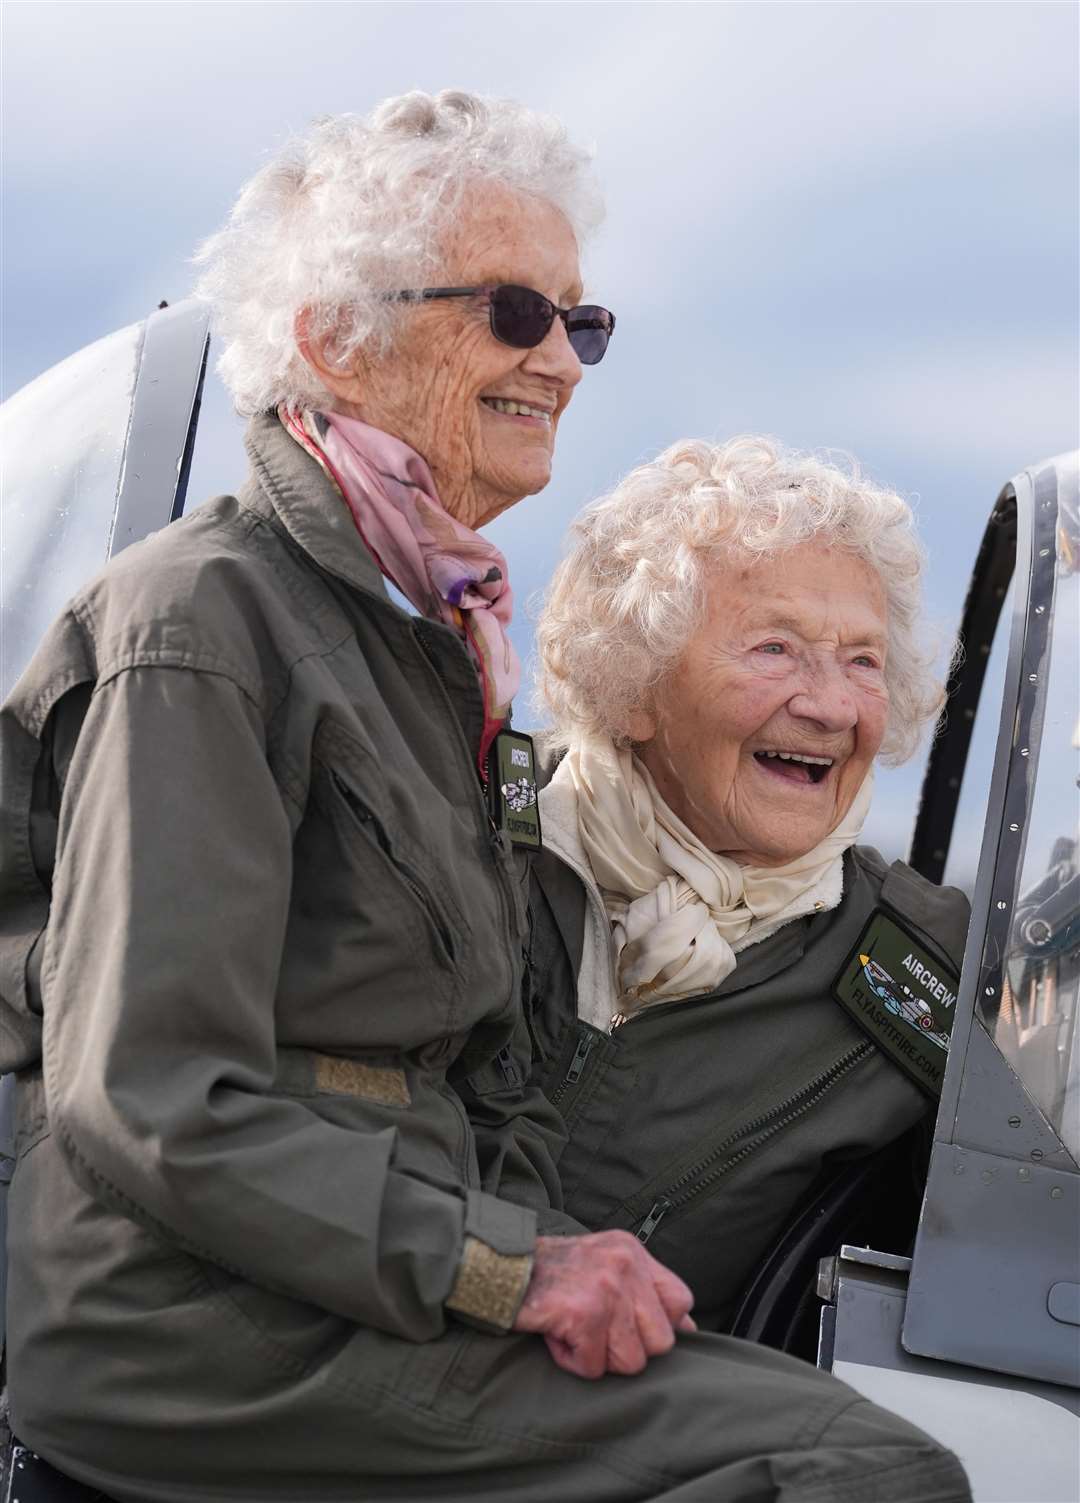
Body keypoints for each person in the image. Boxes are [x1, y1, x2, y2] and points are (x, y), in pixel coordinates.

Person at [0, 93, 970, 1503]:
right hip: (203, 1326)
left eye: (583, 324)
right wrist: (513, 1267)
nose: (563, 360)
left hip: (347, 1290)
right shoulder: (208, 619)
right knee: (849, 1465)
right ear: (337, 336)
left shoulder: (428, 652)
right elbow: (151, 1092)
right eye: (517, 312)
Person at [528, 435, 972, 1333]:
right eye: (775, 648)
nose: (832, 706)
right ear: (634, 684)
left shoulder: (935, 974)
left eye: (862, 659)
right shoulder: (469, 839)